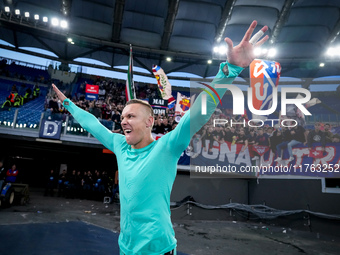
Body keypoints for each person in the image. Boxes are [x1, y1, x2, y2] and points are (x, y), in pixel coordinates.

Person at [52, 20, 268, 255]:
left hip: (159, 250)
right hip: (125, 249)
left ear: (149, 122)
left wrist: (230, 70)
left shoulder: (166, 148)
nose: (123, 121)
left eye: (131, 116)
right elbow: (93, 124)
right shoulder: (120, 146)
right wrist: (68, 104)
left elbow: (196, 115)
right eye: (123, 116)